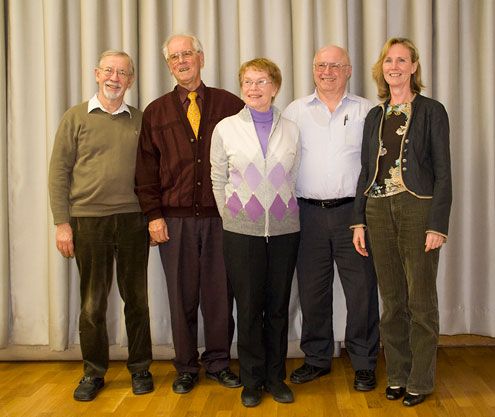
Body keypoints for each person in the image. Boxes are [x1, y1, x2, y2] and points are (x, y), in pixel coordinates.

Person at [134, 33, 244, 394]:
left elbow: (245, 161)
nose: (182, 61)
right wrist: (153, 215)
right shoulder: (156, 111)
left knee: (218, 294)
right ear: (168, 65)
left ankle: (217, 362)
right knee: (181, 295)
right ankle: (185, 366)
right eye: (174, 57)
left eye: (188, 54)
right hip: (174, 220)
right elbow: (146, 171)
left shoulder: (230, 104)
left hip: (220, 219)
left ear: (201, 57)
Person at [351, 37, 452, 407]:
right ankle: (396, 374)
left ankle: (420, 380)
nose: (394, 66)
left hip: (417, 209)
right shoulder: (374, 115)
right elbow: (365, 171)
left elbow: (443, 171)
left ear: (413, 67)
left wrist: (437, 224)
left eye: (402, 60)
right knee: (392, 301)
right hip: (377, 209)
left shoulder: (431, 110)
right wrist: (357, 221)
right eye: (389, 60)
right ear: (383, 68)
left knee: (421, 301)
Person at [48, 50, 153, 401]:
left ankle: (140, 368)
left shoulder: (140, 120)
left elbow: (154, 174)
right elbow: (58, 172)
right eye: (109, 70)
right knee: (92, 303)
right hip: (88, 221)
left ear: (131, 80)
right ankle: (93, 372)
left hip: (132, 220)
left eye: (122, 72)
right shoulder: (75, 117)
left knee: (136, 299)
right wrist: (63, 224)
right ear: (96, 74)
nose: (115, 77)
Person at [283, 45, 380, 392]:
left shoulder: (368, 111)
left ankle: (364, 362)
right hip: (307, 214)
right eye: (321, 65)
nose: (327, 71)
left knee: (361, 292)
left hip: (354, 216)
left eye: (335, 65)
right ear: (313, 69)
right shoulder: (295, 111)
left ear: (349, 69)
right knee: (312, 291)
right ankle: (317, 358)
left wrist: (364, 217)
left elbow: (374, 167)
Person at [211, 58, 301, 407]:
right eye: (247, 81)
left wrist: (278, 212)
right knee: (248, 308)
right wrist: (234, 218)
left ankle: (275, 378)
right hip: (240, 233)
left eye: (261, 81)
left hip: (284, 232)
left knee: (277, 308)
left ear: (275, 87)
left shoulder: (291, 129)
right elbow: (218, 180)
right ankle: (251, 381)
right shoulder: (226, 128)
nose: (253, 88)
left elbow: (294, 176)